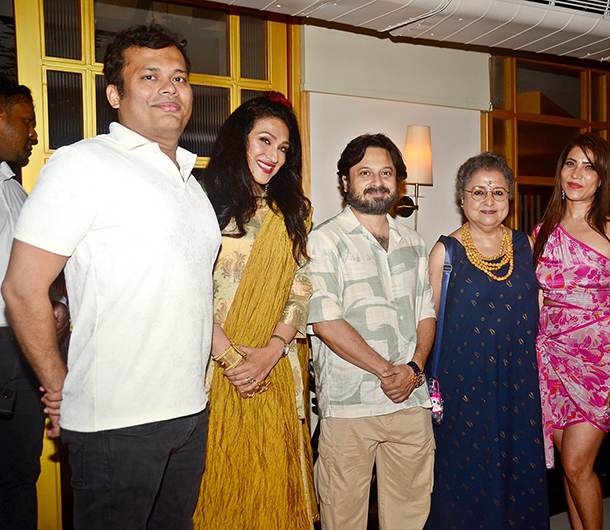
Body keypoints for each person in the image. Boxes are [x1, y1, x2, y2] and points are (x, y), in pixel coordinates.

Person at [1, 24, 221, 530]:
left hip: (190, 414)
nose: (170, 88)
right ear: (115, 95)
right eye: (150, 76)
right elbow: (21, 287)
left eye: (179, 77)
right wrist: (60, 387)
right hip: (117, 425)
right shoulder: (83, 165)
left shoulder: (191, 183)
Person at [193, 92, 318, 529]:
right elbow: (187, 287)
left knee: (272, 487)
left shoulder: (294, 211)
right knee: (219, 486)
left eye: (283, 148)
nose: (274, 156)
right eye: (265, 141)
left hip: (274, 367)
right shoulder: (200, 202)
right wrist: (231, 359)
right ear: (239, 139)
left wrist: (272, 351)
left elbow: (301, 286)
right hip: (209, 367)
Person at [307, 133, 436, 530]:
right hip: (351, 404)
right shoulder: (324, 240)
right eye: (365, 173)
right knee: (342, 517)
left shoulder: (413, 241)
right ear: (344, 181)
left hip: (410, 402)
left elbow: (426, 313)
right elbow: (325, 321)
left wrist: (413, 368)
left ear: (398, 181)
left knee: (410, 515)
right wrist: (387, 371)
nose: (377, 182)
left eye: (386, 173)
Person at [425, 152, 550, 530]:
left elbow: (541, 312)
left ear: (510, 198)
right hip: (464, 385)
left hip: (519, 384)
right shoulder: (445, 252)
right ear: (462, 198)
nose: (489, 201)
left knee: (518, 469)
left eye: (498, 192)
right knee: (466, 476)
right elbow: (427, 320)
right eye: (478, 192)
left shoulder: (527, 246)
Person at [533, 132, 610, 530]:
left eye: (589, 167)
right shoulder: (540, 233)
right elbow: (537, 306)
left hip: (599, 363)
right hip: (551, 361)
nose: (577, 174)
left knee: (578, 463)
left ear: (601, 178)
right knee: (570, 466)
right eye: (570, 164)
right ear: (560, 172)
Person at [0, 76, 68, 530]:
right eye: (26, 122)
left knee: (19, 473)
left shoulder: (13, 189)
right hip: (6, 347)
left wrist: (55, 303)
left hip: (18, 348)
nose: (34, 133)